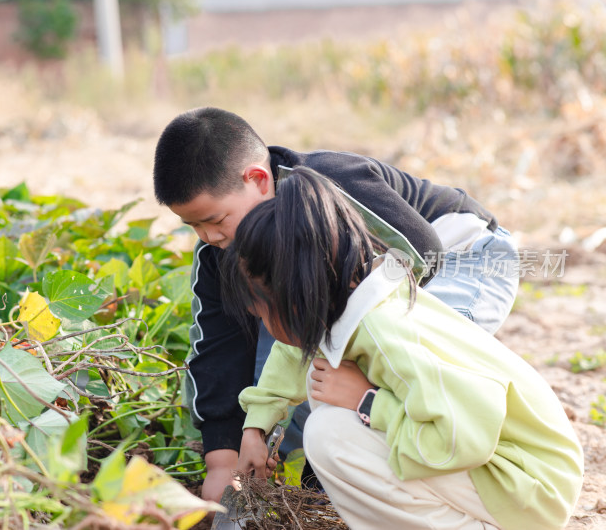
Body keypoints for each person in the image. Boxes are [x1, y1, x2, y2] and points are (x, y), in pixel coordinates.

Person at [152, 106, 520, 504]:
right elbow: (218, 350)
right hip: (361, 298)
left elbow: (421, 253)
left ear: (258, 180)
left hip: (456, 259)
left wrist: (361, 386)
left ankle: (449, 466)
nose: (208, 236)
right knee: (285, 374)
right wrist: (223, 461)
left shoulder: (332, 187)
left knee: (407, 366)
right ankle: (309, 478)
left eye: (215, 219)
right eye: (193, 227)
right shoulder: (218, 248)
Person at [223, 166, 583, 530]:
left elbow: (464, 436)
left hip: (529, 485)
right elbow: (291, 353)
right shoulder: (347, 298)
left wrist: (367, 402)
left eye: (260, 311)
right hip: (508, 473)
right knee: (329, 407)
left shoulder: (389, 333)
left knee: (330, 434)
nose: (263, 322)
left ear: (297, 299)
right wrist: (256, 429)